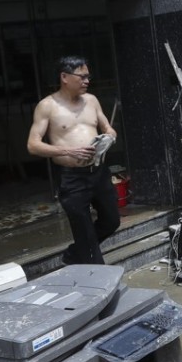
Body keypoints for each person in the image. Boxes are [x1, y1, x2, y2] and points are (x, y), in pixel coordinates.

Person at [27, 56, 119, 265]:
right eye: (82, 77)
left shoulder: (92, 100)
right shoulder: (47, 106)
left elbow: (107, 127)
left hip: (98, 172)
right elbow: (33, 145)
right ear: (64, 77)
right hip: (72, 178)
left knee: (111, 221)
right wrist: (69, 151)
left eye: (88, 77)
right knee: (85, 233)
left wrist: (109, 137)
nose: (87, 81)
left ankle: (74, 254)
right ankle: (97, 274)